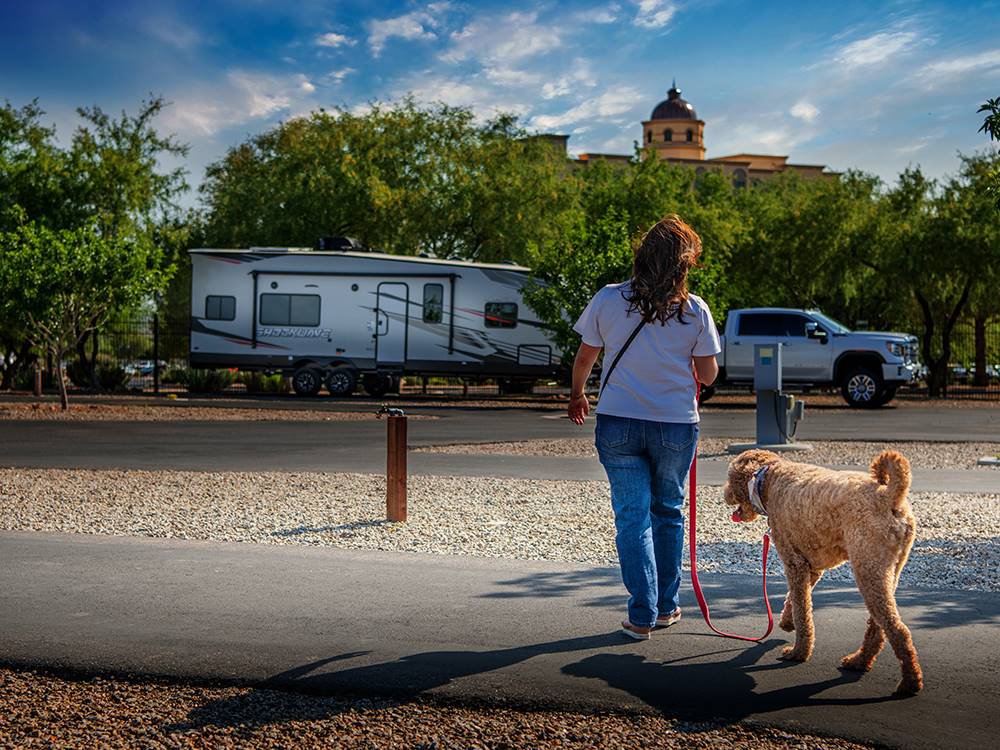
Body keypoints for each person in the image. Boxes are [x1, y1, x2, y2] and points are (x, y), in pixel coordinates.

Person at [568, 215, 720, 640]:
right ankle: (668, 607)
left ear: (642, 256)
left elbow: (585, 358)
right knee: (668, 511)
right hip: (674, 426)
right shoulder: (695, 311)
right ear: (683, 264)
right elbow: (707, 377)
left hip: (618, 422)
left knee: (632, 516)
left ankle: (641, 614)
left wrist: (578, 394)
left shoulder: (608, 299)